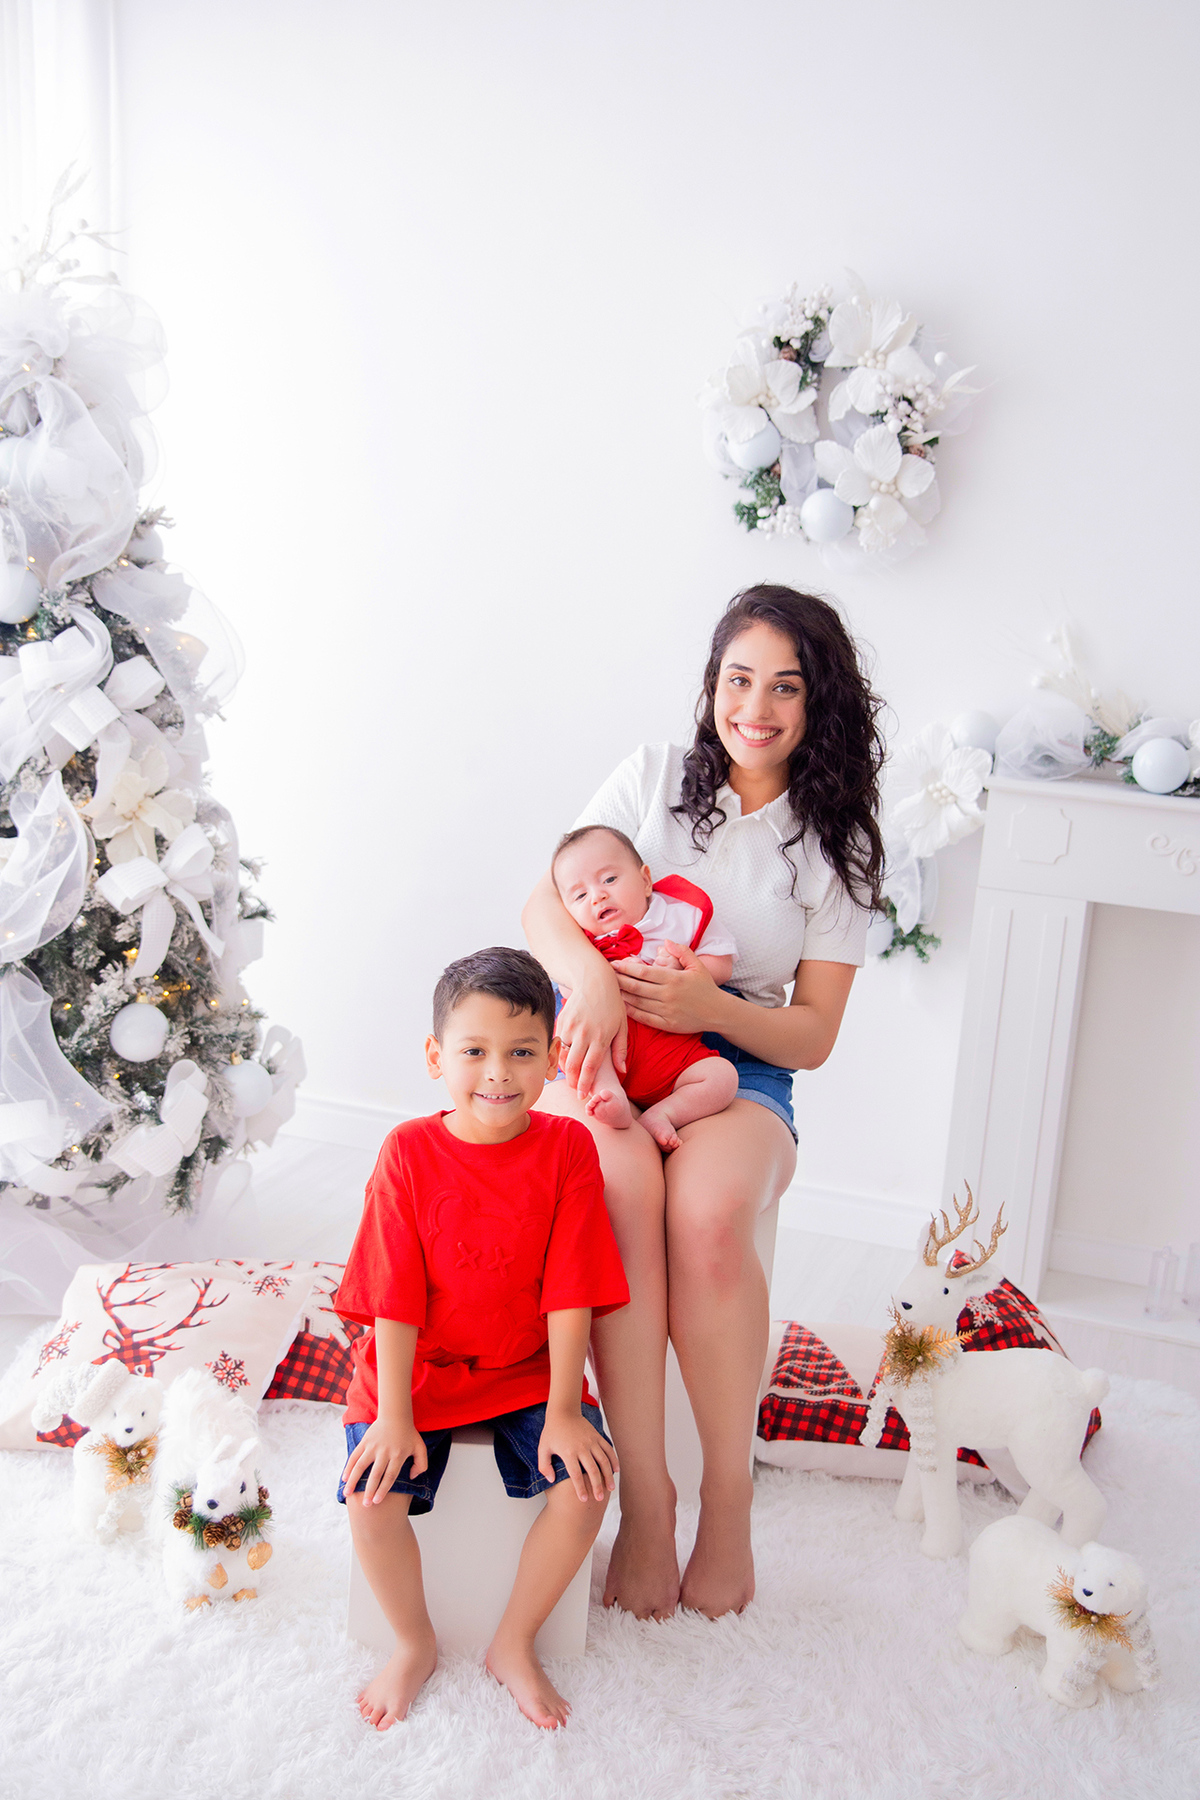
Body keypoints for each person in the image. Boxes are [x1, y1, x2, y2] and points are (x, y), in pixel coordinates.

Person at [522, 584, 884, 1621]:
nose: (755, 706)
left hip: (741, 1067)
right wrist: (588, 982)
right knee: (618, 1195)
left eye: (784, 685)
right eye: (737, 679)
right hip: (606, 1051)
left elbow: (813, 1032)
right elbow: (544, 897)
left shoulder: (838, 844)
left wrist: (707, 1001)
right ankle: (648, 1499)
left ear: (820, 703)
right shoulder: (650, 779)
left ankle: (727, 1501)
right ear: (711, 684)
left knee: (708, 1213)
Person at [334, 946, 629, 1731]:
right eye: (474, 1051)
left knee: (586, 1486)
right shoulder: (407, 1152)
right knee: (370, 1501)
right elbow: (391, 1300)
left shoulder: (568, 1150)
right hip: (418, 1373)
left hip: (527, 1373)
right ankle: (411, 1643)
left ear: (552, 1058)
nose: (497, 1073)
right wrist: (393, 1416)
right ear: (437, 1057)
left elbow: (572, 1292)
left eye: (522, 1052)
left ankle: (514, 1642)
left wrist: (564, 1409)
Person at [550, 823, 739, 1150]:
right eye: (580, 895)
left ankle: (665, 1113)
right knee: (577, 1050)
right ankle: (613, 1099)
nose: (598, 895)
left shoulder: (678, 916)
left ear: (646, 880)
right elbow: (568, 988)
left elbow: (722, 963)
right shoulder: (578, 941)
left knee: (722, 1077)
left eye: (609, 879)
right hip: (608, 1049)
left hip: (674, 1054)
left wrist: (682, 967)